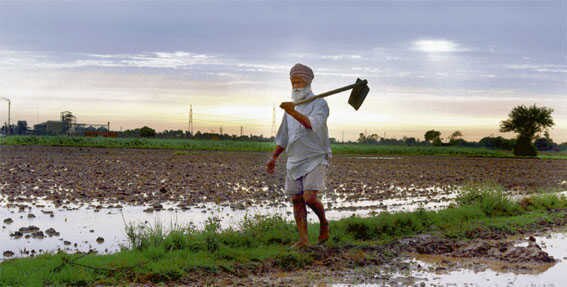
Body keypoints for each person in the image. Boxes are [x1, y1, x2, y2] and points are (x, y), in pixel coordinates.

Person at [266, 63, 332, 248]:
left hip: (315, 157)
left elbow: (311, 125)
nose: (296, 85)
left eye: (299, 81)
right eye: (293, 81)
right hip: (295, 159)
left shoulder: (320, 104)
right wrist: (274, 157)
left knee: (309, 197)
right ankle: (303, 240)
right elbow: (284, 137)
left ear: (308, 82)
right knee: (296, 199)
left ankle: (324, 223)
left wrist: (292, 111)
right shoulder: (291, 108)